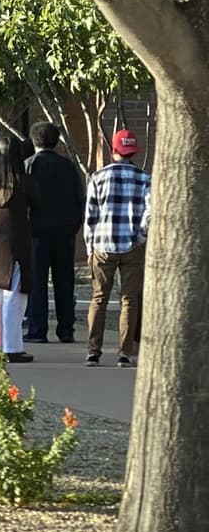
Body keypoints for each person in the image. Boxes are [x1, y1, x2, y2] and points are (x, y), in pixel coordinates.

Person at [83, 129, 151, 368]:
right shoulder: (145, 178)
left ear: (113, 150)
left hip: (103, 244)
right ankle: (125, 353)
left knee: (99, 298)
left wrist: (89, 246)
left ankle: (93, 351)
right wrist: (141, 236)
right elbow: (150, 212)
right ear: (133, 152)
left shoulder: (98, 177)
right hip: (132, 244)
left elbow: (90, 216)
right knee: (129, 299)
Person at [23, 123, 86, 343]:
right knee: (65, 281)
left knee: (37, 282)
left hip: (37, 232)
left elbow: (23, 201)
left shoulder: (29, 165)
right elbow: (79, 198)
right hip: (65, 232)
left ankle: (37, 329)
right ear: (57, 141)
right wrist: (74, 225)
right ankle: (66, 329)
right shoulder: (68, 166)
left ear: (34, 141)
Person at [0, 136, 37, 363]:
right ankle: (12, 347)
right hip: (17, 241)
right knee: (15, 295)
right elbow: (37, 208)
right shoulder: (25, 181)